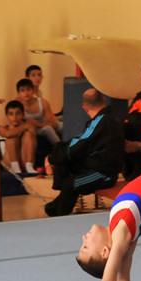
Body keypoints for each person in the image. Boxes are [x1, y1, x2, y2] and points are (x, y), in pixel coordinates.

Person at [43, 88, 124, 217]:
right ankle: (62, 193)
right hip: (94, 163)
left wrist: (51, 160)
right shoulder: (106, 118)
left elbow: (79, 145)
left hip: (104, 173)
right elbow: (79, 142)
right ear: (103, 100)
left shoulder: (102, 121)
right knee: (60, 148)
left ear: (85, 108)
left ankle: (57, 211)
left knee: (69, 183)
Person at [16, 78, 62, 145]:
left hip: (45, 123)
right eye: (22, 91)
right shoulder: (17, 105)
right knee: (47, 129)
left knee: (64, 126)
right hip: (35, 129)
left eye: (28, 89)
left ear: (33, 91)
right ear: (18, 94)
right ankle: (61, 149)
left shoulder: (43, 102)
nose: (26, 93)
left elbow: (53, 124)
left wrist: (38, 124)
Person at [0, 100, 37, 174]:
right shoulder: (2, 128)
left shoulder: (29, 127)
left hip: (24, 159)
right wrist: (24, 127)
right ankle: (15, 167)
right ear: (7, 115)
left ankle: (29, 166)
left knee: (28, 135)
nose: (14, 117)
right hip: (9, 163)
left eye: (18, 113)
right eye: (11, 114)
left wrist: (25, 127)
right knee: (12, 136)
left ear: (23, 115)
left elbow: (32, 135)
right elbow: (8, 134)